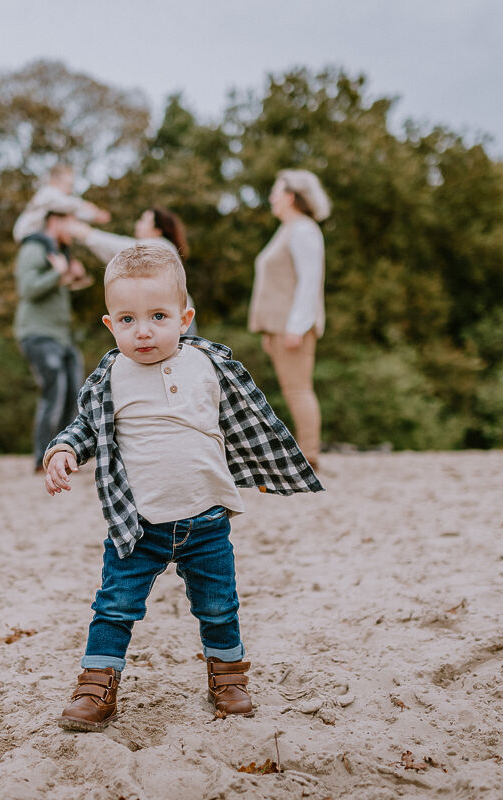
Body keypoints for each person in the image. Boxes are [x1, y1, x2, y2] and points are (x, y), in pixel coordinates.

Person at [42, 243, 322, 731]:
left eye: (157, 316)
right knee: (114, 606)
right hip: (137, 524)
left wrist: (268, 467)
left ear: (184, 317)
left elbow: (249, 419)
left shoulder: (209, 364)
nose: (143, 330)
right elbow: (85, 427)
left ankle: (229, 678)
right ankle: (97, 685)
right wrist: (64, 450)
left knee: (218, 605)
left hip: (206, 518)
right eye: (127, 320)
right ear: (110, 324)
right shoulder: (110, 376)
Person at [249, 169, 330, 471]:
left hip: (292, 327)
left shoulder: (303, 230)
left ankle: (309, 455)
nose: (271, 197)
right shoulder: (288, 229)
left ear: (291, 196)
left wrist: (296, 327)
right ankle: (304, 452)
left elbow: (309, 282)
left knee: (298, 389)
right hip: (279, 327)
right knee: (292, 389)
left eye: (276, 191)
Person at [15, 209, 93, 472]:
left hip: (62, 335)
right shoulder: (34, 248)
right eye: (72, 223)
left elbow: (60, 285)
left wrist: (74, 276)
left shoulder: (60, 252)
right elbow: (27, 288)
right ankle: (42, 458)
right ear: (55, 221)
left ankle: (65, 454)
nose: (75, 230)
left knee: (75, 393)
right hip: (38, 333)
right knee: (55, 391)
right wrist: (58, 274)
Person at [72, 206, 198, 336]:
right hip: (170, 317)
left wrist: (87, 234)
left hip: (170, 319)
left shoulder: (159, 245)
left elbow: (119, 248)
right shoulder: (162, 247)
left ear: (157, 230)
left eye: (143, 221)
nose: (138, 224)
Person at [12, 163, 111, 243]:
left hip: (37, 234)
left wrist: (93, 216)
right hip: (28, 233)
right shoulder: (47, 193)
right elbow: (67, 204)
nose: (70, 190)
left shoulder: (58, 202)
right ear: (54, 181)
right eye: (68, 185)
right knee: (50, 245)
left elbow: (72, 213)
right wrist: (84, 205)